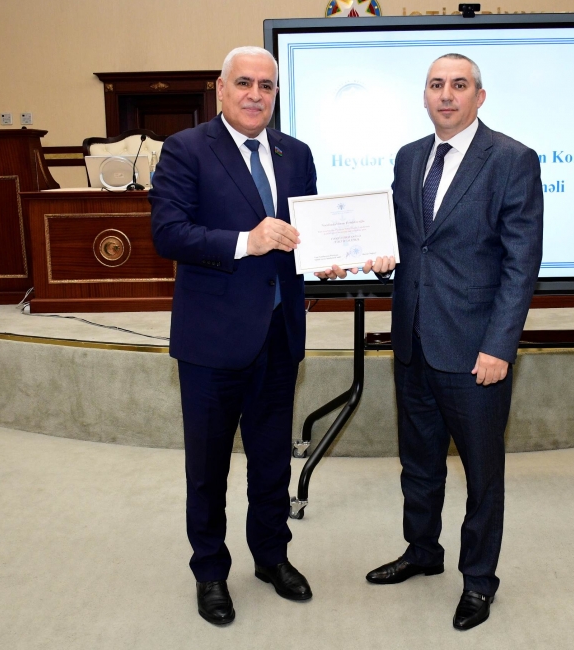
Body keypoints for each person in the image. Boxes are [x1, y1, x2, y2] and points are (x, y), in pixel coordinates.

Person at [322, 53, 543, 631]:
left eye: (459, 85)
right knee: (418, 465)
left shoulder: (512, 159)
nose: (446, 94)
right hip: (413, 343)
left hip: (475, 352)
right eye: (436, 84)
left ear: (479, 96)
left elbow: (521, 264)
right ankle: (422, 551)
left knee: (482, 475)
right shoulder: (409, 156)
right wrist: (367, 255)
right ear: (424, 95)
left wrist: (500, 346)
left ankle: (479, 581)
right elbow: (405, 239)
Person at [149, 46, 317, 626]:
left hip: (279, 334)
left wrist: (336, 256)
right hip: (212, 340)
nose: (254, 94)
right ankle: (210, 572)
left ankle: (271, 558)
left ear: (276, 94)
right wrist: (248, 240)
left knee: (271, 462)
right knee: (208, 468)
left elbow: (308, 235)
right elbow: (168, 233)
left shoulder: (296, 154)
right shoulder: (186, 149)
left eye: (266, 85)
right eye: (243, 83)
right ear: (220, 89)